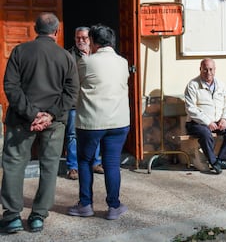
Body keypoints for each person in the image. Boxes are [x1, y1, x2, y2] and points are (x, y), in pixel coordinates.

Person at [0, 12, 79, 234]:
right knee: (49, 165)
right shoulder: (66, 57)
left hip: (21, 120)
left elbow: (11, 87)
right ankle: (38, 216)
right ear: (57, 31)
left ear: (36, 30)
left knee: (14, 164)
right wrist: (49, 115)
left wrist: (31, 113)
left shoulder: (20, 51)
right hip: (54, 123)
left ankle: (12, 216)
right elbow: (71, 93)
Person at [68, 24, 130, 220]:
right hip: (119, 122)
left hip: (91, 122)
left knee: (85, 162)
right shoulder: (122, 61)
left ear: (93, 42)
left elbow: (75, 84)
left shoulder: (86, 62)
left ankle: (85, 205)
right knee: (112, 164)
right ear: (111, 42)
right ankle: (114, 207)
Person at [184, 58, 226, 174]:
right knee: (205, 133)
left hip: (217, 121)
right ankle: (213, 162)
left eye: (211, 69)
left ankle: (222, 160)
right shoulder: (192, 85)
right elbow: (191, 109)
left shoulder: (221, 85)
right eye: (205, 69)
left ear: (215, 70)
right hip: (196, 123)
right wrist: (207, 122)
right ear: (200, 69)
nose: (208, 72)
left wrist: (224, 119)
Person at [65, 26, 103, 180]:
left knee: (96, 133)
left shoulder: (98, 55)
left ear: (90, 39)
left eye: (84, 38)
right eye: (78, 38)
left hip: (95, 102)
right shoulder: (68, 55)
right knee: (73, 135)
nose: (80, 41)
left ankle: (95, 162)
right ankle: (73, 167)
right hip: (75, 102)